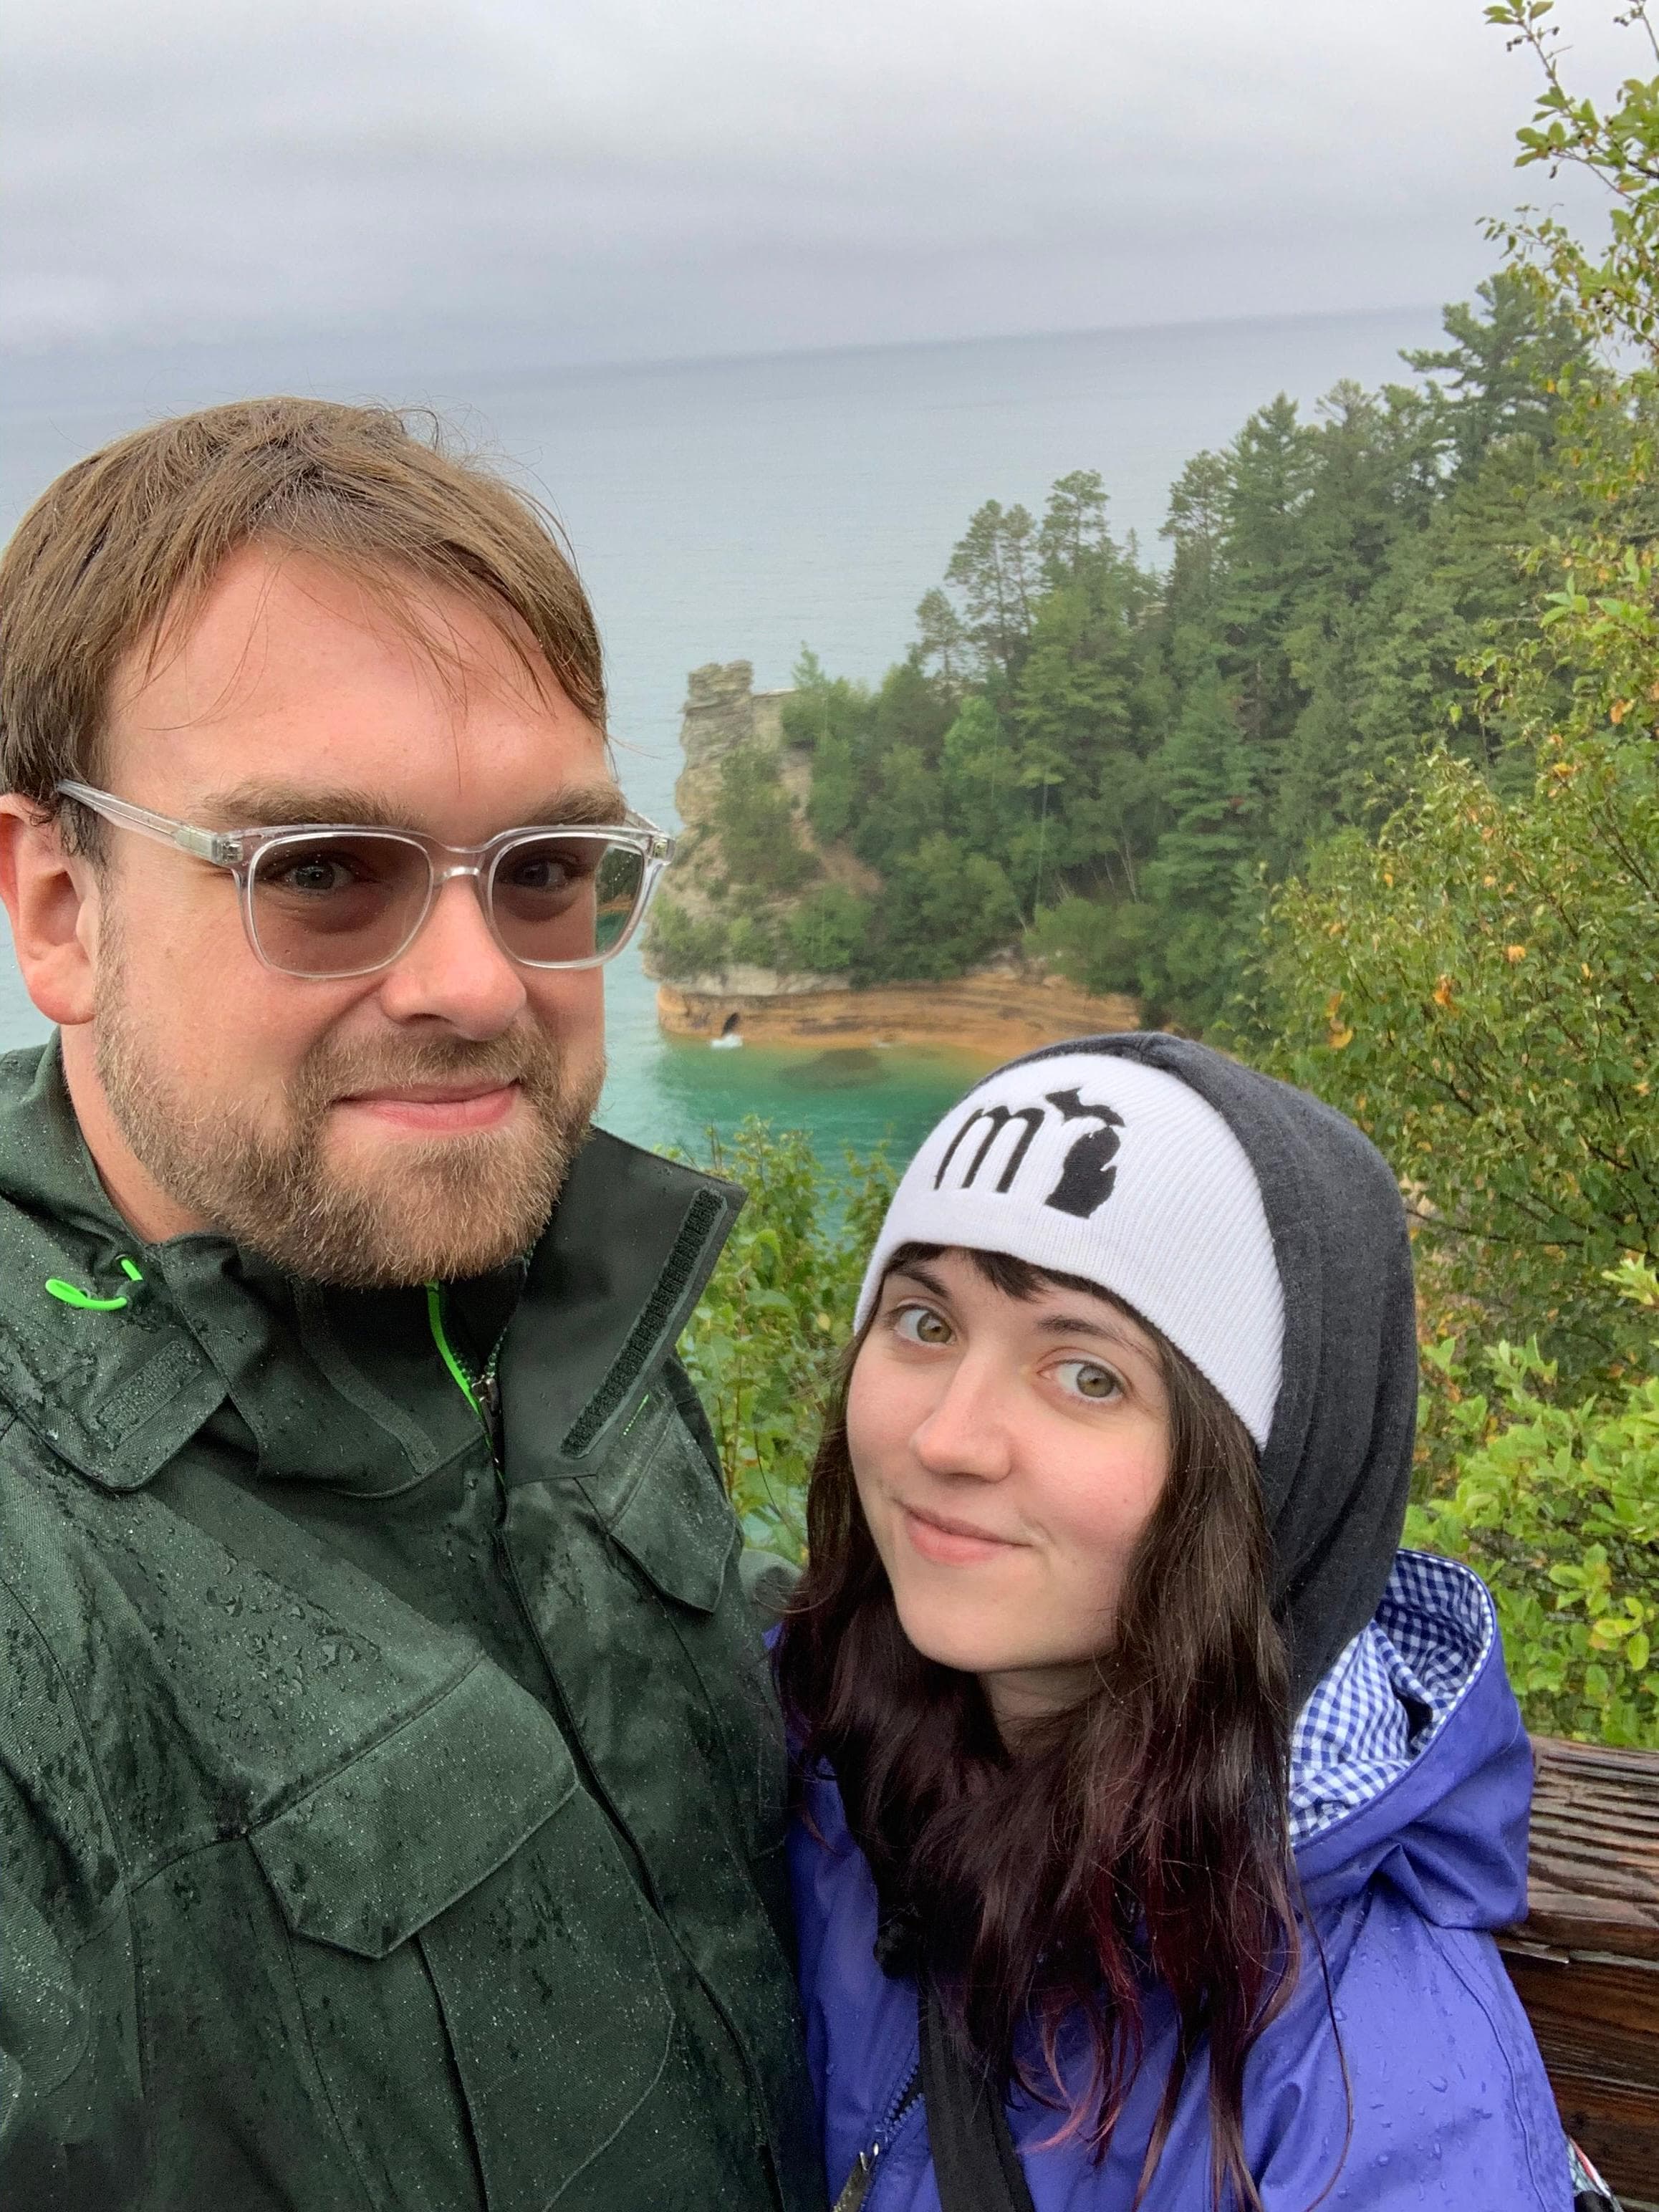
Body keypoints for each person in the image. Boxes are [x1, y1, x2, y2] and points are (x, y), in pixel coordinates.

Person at [0, 398, 821, 2210]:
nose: (471, 982)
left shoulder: (535, 1299)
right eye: (321, 872)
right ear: (62, 901)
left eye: (544, 873)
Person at [777, 1035, 1576, 2211]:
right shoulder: (817, 1755)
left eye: (1087, 1374)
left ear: (1262, 1487)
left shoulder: (1375, 2095)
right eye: (924, 1322)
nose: (948, 1439)